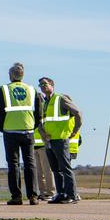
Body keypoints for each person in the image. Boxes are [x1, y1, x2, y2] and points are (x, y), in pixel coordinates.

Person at [0, 63, 43, 206]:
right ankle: (33, 196)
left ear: (10, 75)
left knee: (13, 165)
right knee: (30, 164)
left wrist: (2, 127)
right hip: (28, 131)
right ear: (23, 75)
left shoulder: (4, 90)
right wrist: (33, 126)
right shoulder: (32, 90)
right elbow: (39, 112)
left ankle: (16, 196)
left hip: (10, 131)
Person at [38, 76, 82, 204]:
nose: (42, 86)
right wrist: (42, 133)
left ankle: (72, 195)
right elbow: (41, 121)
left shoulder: (60, 99)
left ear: (52, 85)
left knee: (65, 168)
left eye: (45, 84)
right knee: (55, 169)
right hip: (49, 141)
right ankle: (61, 193)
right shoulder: (44, 102)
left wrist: (74, 131)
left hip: (61, 139)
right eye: (40, 84)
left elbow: (77, 113)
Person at [33, 125, 56, 200]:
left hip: (43, 147)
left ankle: (51, 192)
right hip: (34, 147)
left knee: (47, 170)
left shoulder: (42, 119)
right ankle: (42, 192)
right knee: (39, 173)